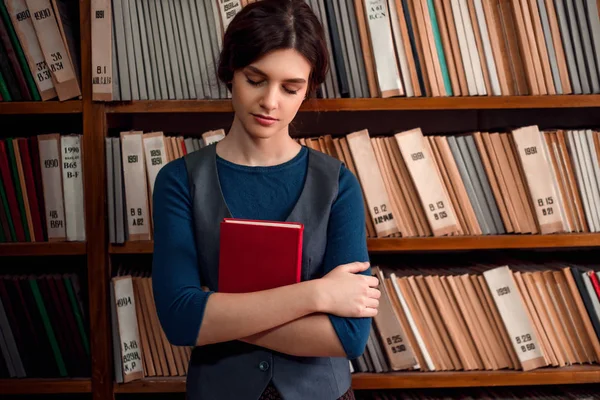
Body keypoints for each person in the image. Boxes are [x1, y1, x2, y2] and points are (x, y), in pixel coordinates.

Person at [151, 1, 381, 399]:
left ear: (307, 89)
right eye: (255, 80)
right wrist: (316, 295)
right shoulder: (179, 181)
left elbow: (348, 337)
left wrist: (220, 318)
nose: (271, 102)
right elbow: (179, 321)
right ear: (229, 73)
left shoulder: (339, 184)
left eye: (291, 88)